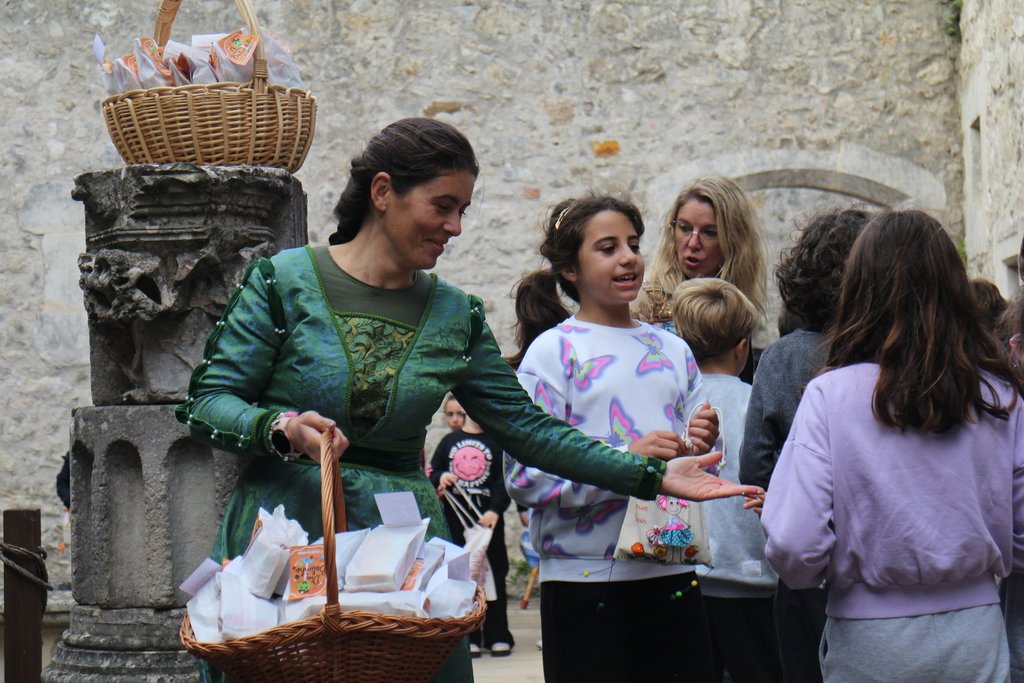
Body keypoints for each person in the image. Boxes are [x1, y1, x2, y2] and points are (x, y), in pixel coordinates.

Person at [175, 118, 761, 683]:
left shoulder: (455, 313)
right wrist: (280, 428)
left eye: (464, 210)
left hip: (404, 550)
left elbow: (531, 432)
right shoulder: (284, 281)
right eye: (442, 205)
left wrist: (649, 473)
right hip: (293, 531)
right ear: (383, 192)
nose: (455, 227)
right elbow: (207, 402)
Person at [761, 210, 1024, 682]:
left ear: (861, 290)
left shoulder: (831, 395)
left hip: (871, 641)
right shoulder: (999, 397)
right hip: (975, 635)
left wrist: (831, 573)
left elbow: (794, 543)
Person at [505, 194, 726, 682]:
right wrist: (631, 462)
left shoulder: (672, 350)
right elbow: (524, 476)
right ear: (569, 269)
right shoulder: (553, 353)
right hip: (585, 580)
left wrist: (701, 441)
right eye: (607, 247)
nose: (627, 257)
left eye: (632, 243)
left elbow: (701, 460)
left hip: (672, 569)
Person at [738, 207, 869, 682]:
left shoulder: (783, 357)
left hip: (805, 567)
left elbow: (753, 464)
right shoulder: (892, 354)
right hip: (880, 568)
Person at [671, 278, 783, 683]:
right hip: (750, 578)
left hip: (679, 574)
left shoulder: (672, 405)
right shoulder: (757, 402)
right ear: (742, 348)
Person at [634, 177, 767, 381]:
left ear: (733, 241)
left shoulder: (737, 305)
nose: (693, 242)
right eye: (685, 228)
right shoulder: (646, 301)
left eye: (709, 233)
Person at [430, 412, 513, 657]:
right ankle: (470, 635)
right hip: (457, 521)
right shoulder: (448, 441)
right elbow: (434, 471)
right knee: (460, 575)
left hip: (486, 522)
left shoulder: (497, 443)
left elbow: (503, 480)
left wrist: (496, 510)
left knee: (494, 574)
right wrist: (441, 477)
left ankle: (498, 634)